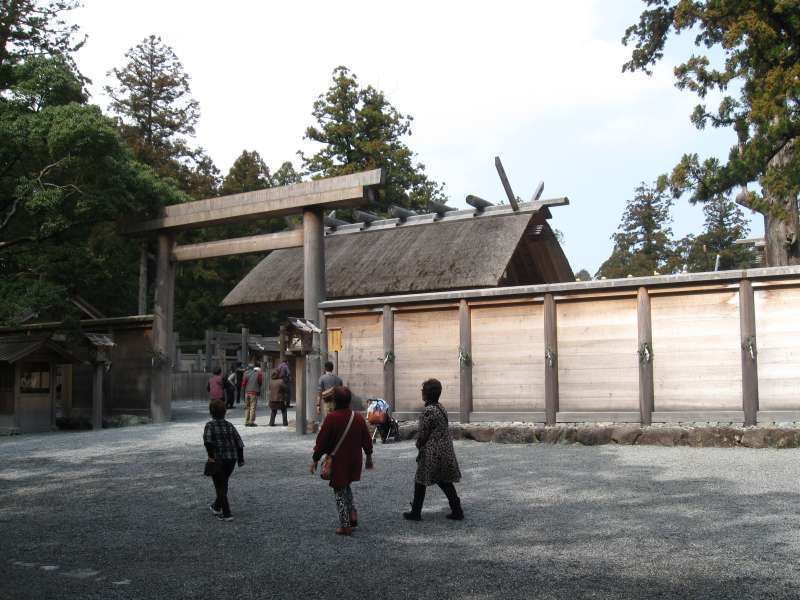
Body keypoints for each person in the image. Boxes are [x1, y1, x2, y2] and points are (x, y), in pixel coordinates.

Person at [310, 386, 373, 535]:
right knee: (346, 485)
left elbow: (322, 442)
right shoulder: (357, 416)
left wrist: (315, 459)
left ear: (335, 401)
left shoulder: (332, 418)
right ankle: (352, 514)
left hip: (339, 461)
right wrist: (369, 457)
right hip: (354, 459)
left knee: (339, 491)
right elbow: (367, 439)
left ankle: (345, 525)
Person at [403, 378, 464, 521]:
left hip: (432, 452)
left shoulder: (428, 411)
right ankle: (457, 509)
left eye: (423, 390)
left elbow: (423, 433)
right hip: (444, 449)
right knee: (444, 481)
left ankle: (416, 512)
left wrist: (419, 444)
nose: (421, 392)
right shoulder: (440, 407)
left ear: (427, 394)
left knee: (420, 481)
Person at [203, 399, 244, 522]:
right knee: (224, 482)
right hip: (231, 459)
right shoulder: (229, 425)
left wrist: (211, 456)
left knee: (219, 486)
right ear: (225, 412)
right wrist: (240, 459)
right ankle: (216, 506)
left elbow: (208, 442)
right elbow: (239, 443)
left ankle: (227, 513)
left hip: (218, 458)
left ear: (211, 412)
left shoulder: (210, 425)